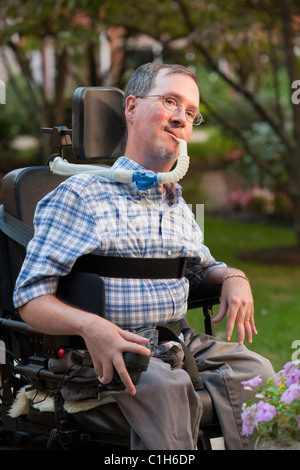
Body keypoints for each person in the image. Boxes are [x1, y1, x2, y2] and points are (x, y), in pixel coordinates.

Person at [13, 62, 274, 450]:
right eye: (170, 101)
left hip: (176, 342)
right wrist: (92, 328)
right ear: (131, 108)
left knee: (257, 371)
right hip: (105, 351)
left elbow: (203, 269)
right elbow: (29, 297)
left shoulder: (175, 203)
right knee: (168, 389)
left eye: (191, 112)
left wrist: (235, 277)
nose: (181, 118)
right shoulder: (81, 194)